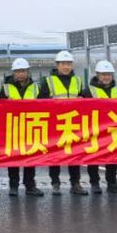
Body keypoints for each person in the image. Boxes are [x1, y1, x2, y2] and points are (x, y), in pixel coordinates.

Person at [38, 50, 87, 195]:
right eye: (63, 64)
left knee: (74, 154)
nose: (66, 67)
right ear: (57, 65)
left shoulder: (77, 80)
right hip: (54, 123)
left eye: (69, 64)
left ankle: (75, 183)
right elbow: (40, 102)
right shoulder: (48, 81)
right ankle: (55, 183)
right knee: (55, 155)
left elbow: (84, 99)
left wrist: (82, 100)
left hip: (73, 123)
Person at [0, 58, 44, 197]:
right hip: (12, 128)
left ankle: (30, 185)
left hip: (31, 127)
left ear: (28, 72)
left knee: (30, 158)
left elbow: (44, 106)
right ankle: (13, 186)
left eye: (23, 71)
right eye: (18, 71)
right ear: (13, 73)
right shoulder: (6, 88)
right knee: (13, 158)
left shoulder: (36, 87)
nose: (20, 74)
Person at [84, 60, 117, 195]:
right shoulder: (88, 91)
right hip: (94, 129)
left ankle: (112, 183)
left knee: (112, 157)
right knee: (93, 157)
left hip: (112, 130)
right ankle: (95, 183)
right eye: (103, 74)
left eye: (109, 74)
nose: (106, 77)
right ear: (97, 75)